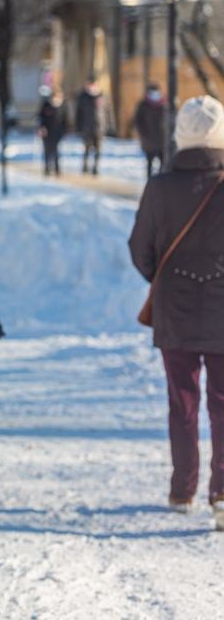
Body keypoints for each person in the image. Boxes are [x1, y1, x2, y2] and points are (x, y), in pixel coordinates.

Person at [129, 95, 224, 530]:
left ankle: (182, 488)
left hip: (175, 311)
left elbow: (140, 250)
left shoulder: (159, 186)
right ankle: (221, 492)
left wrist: (164, 280)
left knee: (181, 402)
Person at [75, 75, 108, 176]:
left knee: (98, 149)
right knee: (87, 148)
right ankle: (85, 166)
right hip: (86, 127)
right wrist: (78, 127)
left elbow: (107, 112)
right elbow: (78, 113)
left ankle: (95, 168)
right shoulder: (83, 96)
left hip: (99, 127)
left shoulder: (101, 96)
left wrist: (107, 125)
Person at [135, 82, 167, 177]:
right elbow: (138, 121)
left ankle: (160, 182)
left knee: (163, 163)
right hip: (149, 140)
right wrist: (143, 134)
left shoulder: (165, 104)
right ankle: (149, 182)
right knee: (149, 162)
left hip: (162, 140)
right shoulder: (143, 105)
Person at [38, 88, 68, 176]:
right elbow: (41, 118)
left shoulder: (62, 106)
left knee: (56, 151)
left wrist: (65, 130)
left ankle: (57, 169)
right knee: (47, 150)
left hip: (57, 132)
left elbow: (65, 120)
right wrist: (41, 127)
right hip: (47, 132)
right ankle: (47, 168)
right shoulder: (46, 105)